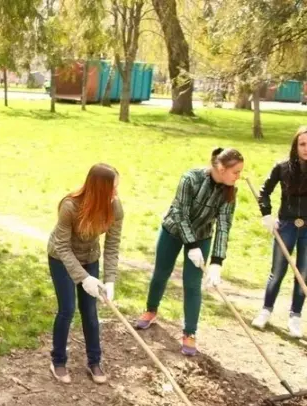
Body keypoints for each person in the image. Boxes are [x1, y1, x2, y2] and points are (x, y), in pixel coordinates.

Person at [135, 148, 244, 356]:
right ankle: (150, 310)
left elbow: (224, 226)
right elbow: (180, 213)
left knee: (192, 284)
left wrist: (217, 262)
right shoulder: (190, 179)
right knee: (161, 273)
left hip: (202, 236)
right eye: (236, 172)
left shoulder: (230, 192)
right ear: (221, 168)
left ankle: (190, 332)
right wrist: (191, 245)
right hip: (173, 230)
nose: (239, 176)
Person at [47, 164, 123, 384]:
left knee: (90, 310)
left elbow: (112, 246)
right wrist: (84, 278)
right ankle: (58, 361)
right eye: (112, 188)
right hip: (61, 257)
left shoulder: (114, 207)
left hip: (90, 257)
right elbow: (62, 246)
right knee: (67, 308)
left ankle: (94, 361)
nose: (116, 193)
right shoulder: (70, 206)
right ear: (99, 189)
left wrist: (109, 280)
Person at [251, 126, 307, 338]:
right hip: (286, 226)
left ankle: (295, 317)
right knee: (277, 271)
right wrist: (267, 215)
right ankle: (266, 311)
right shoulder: (282, 167)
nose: (306, 148)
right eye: (302, 144)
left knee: (304, 274)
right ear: (295, 146)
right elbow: (264, 192)